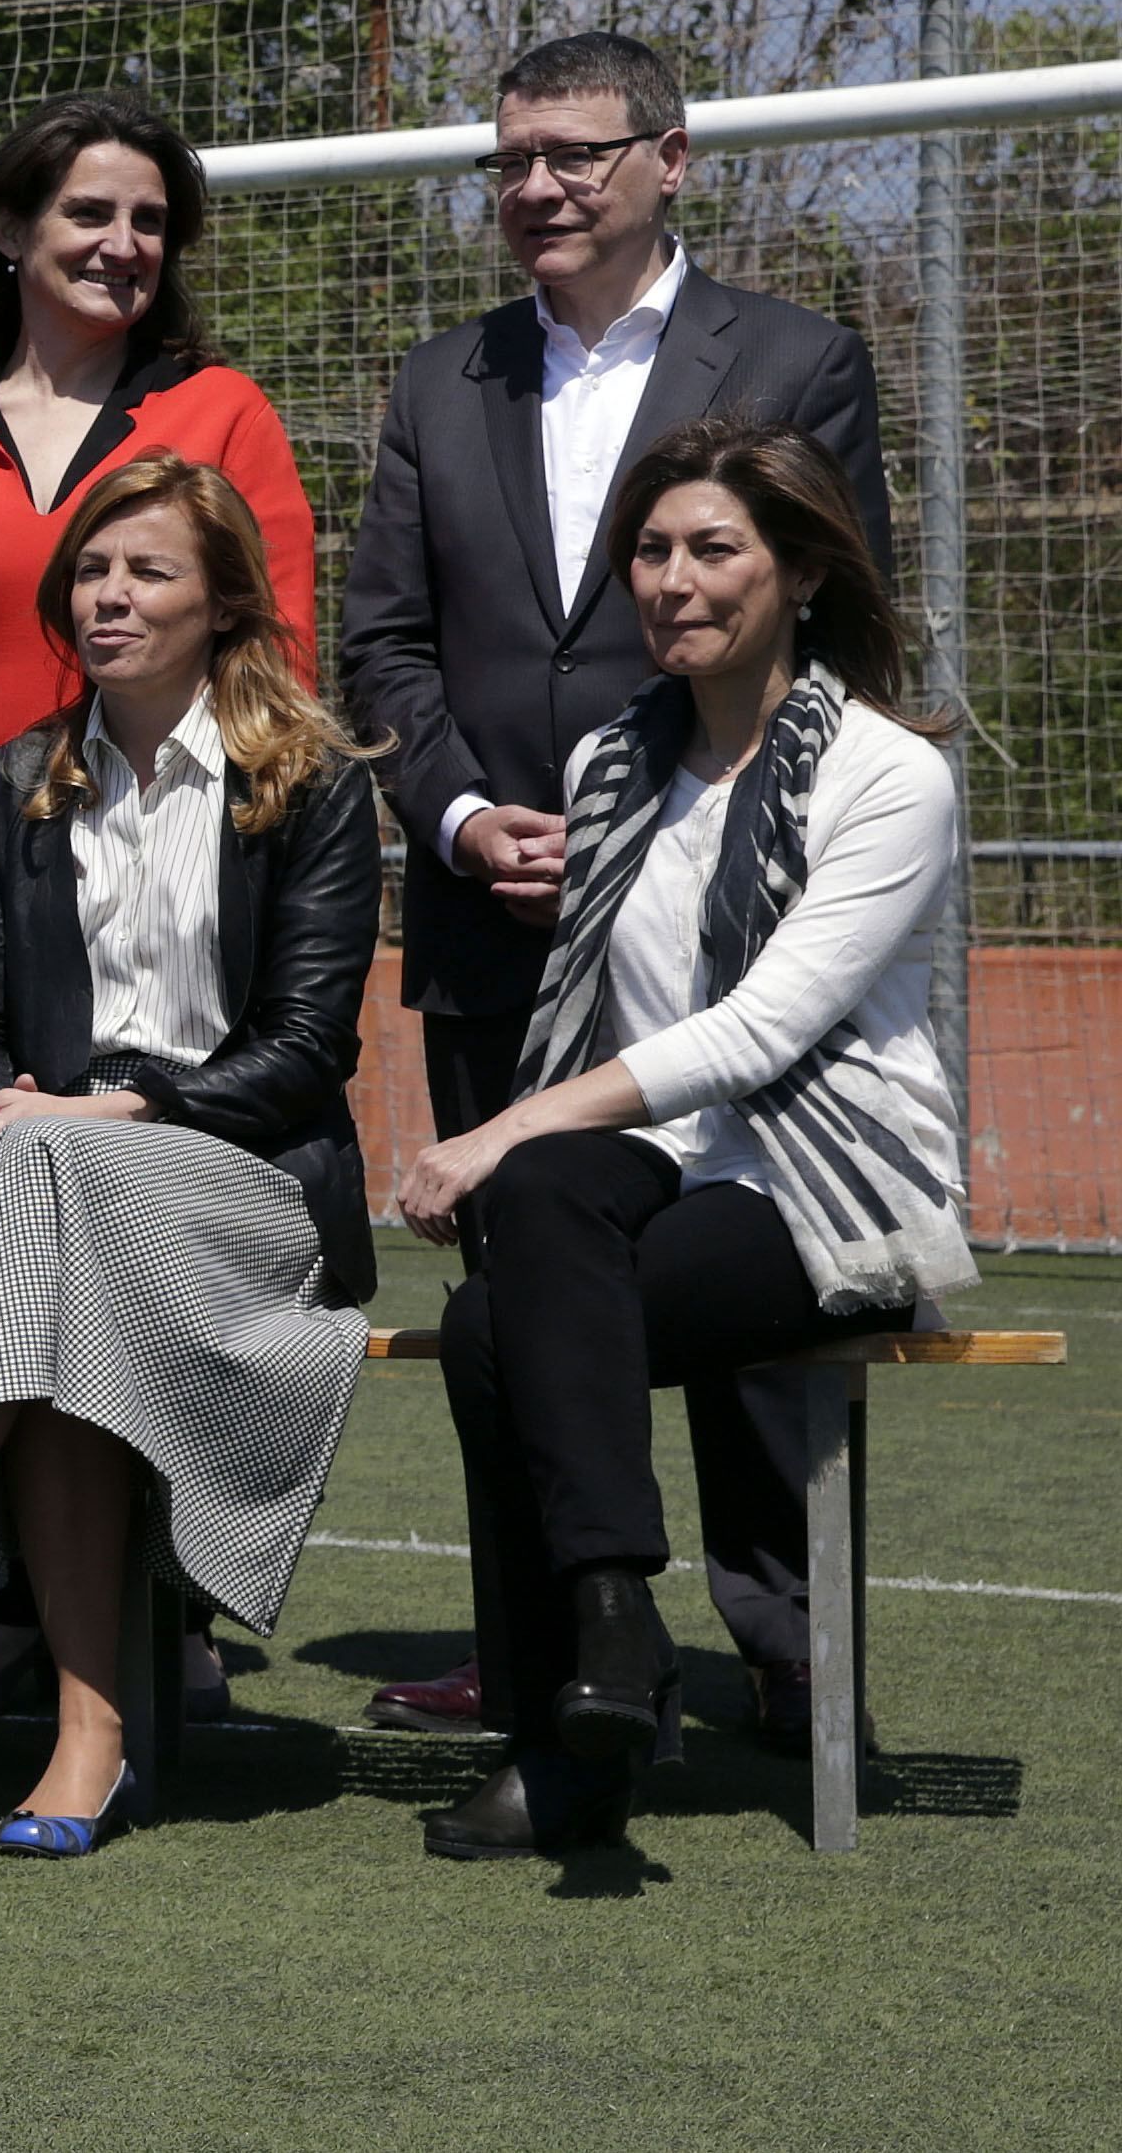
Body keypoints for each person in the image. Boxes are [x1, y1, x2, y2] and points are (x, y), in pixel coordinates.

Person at [338, 31, 894, 1746]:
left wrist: (674, 829)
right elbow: (380, 643)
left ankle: (780, 1634)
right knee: (513, 1267)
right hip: (483, 918)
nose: (536, 188)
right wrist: (454, 823)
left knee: (717, 1259)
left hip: (715, 925)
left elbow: (838, 632)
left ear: (669, 159)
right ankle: (551, 1652)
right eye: (507, 160)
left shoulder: (791, 356)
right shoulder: (440, 381)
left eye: (574, 154)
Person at [0, 455, 382, 1856]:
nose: (109, 597)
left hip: (247, 1182)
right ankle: (89, 1733)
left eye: (150, 572)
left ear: (224, 600)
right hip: (57, 1190)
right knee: (56, 1250)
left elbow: (306, 1051)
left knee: (59, 1174)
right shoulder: (19, 781)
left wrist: (80, 1119)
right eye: (94, 572)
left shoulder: (311, 782)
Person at [399, 418, 969, 1859]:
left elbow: (760, 1036)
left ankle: (579, 1736)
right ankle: (611, 1635)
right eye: (650, 551)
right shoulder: (613, 764)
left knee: (494, 1326)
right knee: (535, 1214)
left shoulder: (889, 778)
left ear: (800, 573)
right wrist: (527, 1140)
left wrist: (508, 1125)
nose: (672, 580)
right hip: (677, 1164)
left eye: (713, 549)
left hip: (830, 1179)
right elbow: (619, 1026)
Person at [0, 89, 320, 1724]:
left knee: (106, 1229)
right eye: (85, 214)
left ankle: (117, 1612)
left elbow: (276, 643)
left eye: (145, 220)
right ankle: (32, 1617)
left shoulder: (215, 410)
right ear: (8, 230)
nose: (117, 245)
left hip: (176, 851)